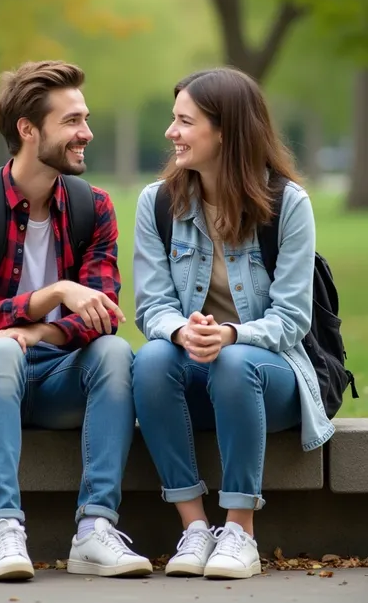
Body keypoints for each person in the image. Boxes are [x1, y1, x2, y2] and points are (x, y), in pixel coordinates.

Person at [0, 60, 152, 582]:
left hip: (57, 379)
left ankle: (95, 530)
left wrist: (37, 331)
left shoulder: (93, 207)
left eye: (86, 118)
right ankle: (4, 528)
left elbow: (104, 317)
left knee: (116, 353)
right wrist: (53, 293)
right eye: (73, 121)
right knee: (3, 349)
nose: (87, 133)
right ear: (28, 130)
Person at [132, 67, 334, 580]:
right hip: (196, 371)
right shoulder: (157, 204)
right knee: (151, 358)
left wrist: (230, 334)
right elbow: (152, 306)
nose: (170, 132)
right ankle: (196, 528)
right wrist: (181, 331)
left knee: (235, 361)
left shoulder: (287, 204)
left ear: (224, 131)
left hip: (272, 376)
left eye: (184, 121)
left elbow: (290, 320)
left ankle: (240, 530)